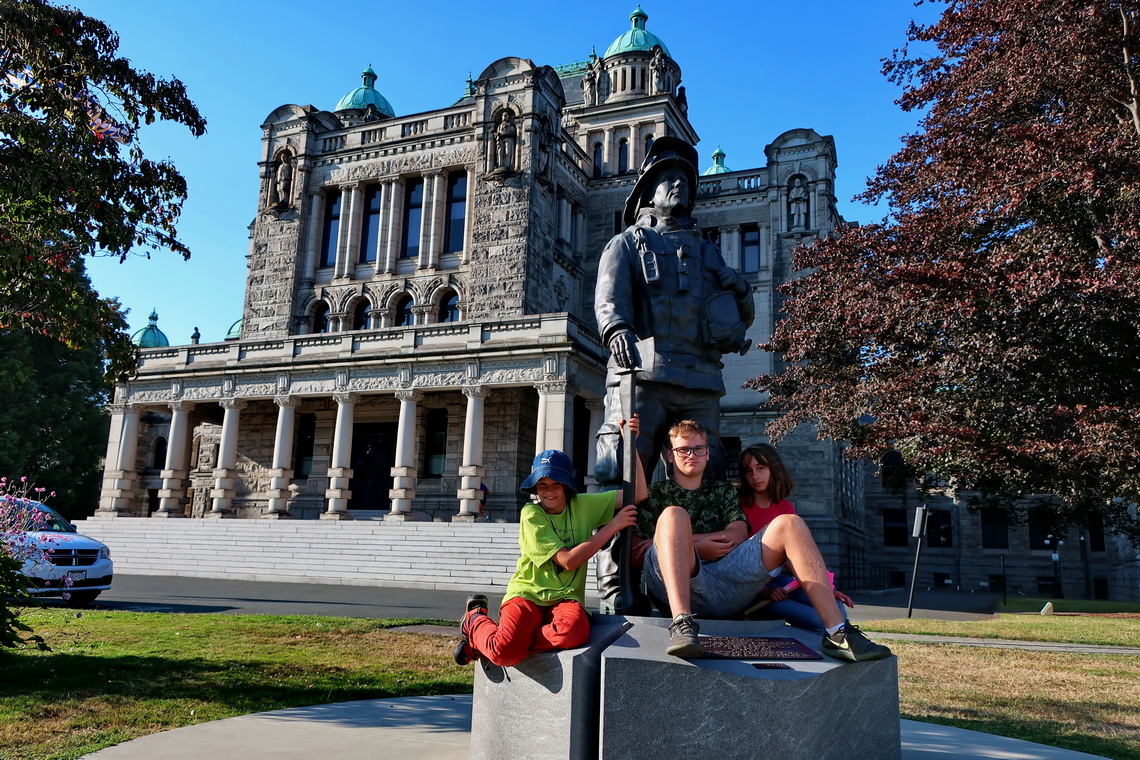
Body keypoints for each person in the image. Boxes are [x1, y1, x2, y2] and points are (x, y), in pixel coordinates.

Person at [634, 420, 891, 662]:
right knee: (673, 515)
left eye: (698, 448)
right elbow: (637, 553)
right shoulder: (656, 495)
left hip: (726, 583)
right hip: (675, 587)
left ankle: (838, 633)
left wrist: (683, 542)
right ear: (670, 455)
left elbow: (735, 536)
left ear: (708, 453)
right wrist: (692, 544)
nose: (691, 455)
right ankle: (682, 623)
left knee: (790, 523)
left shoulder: (722, 491)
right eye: (683, 449)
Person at [454, 418, 647, 667]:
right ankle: (474, 621)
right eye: (542, 484)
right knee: (505, 654)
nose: (549, 490)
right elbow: (568, 561)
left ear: (567, 485)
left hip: (565, 599)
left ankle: (496, 641)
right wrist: (613, 526)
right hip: (527, 594)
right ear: (535, 487)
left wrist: (631, 445)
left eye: (556, 483)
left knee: (573, 633)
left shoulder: (585, 504)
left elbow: (639, 493)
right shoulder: (531, 514)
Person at [737, 444, 853, 632]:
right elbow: (732, 559)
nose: (755, 476)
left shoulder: (785, 508)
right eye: (748, 470)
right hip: (751, 590)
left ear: (773, 469)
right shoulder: (737, 504)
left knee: (837, 609)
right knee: (816, 619)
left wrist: (826, 591)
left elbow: (794, 558)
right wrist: (763, 591)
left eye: (760, 468)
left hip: (782, 582)